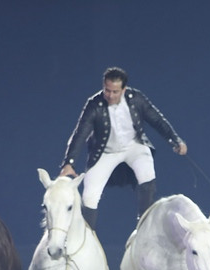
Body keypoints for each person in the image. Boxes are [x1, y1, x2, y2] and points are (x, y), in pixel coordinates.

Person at [60, 66, 187, 232]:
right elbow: (80, 133)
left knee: (147, 174)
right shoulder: (94, 104)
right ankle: (87, 236)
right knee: (89, 195)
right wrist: (69, 162)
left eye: (115, 91)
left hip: (133, 146)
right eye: (107, 90)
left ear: (124, 89)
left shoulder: (136, 99)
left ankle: (144, 226)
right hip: (105, 153)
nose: (110, 95)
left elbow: (157, 119)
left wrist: (175, 140)